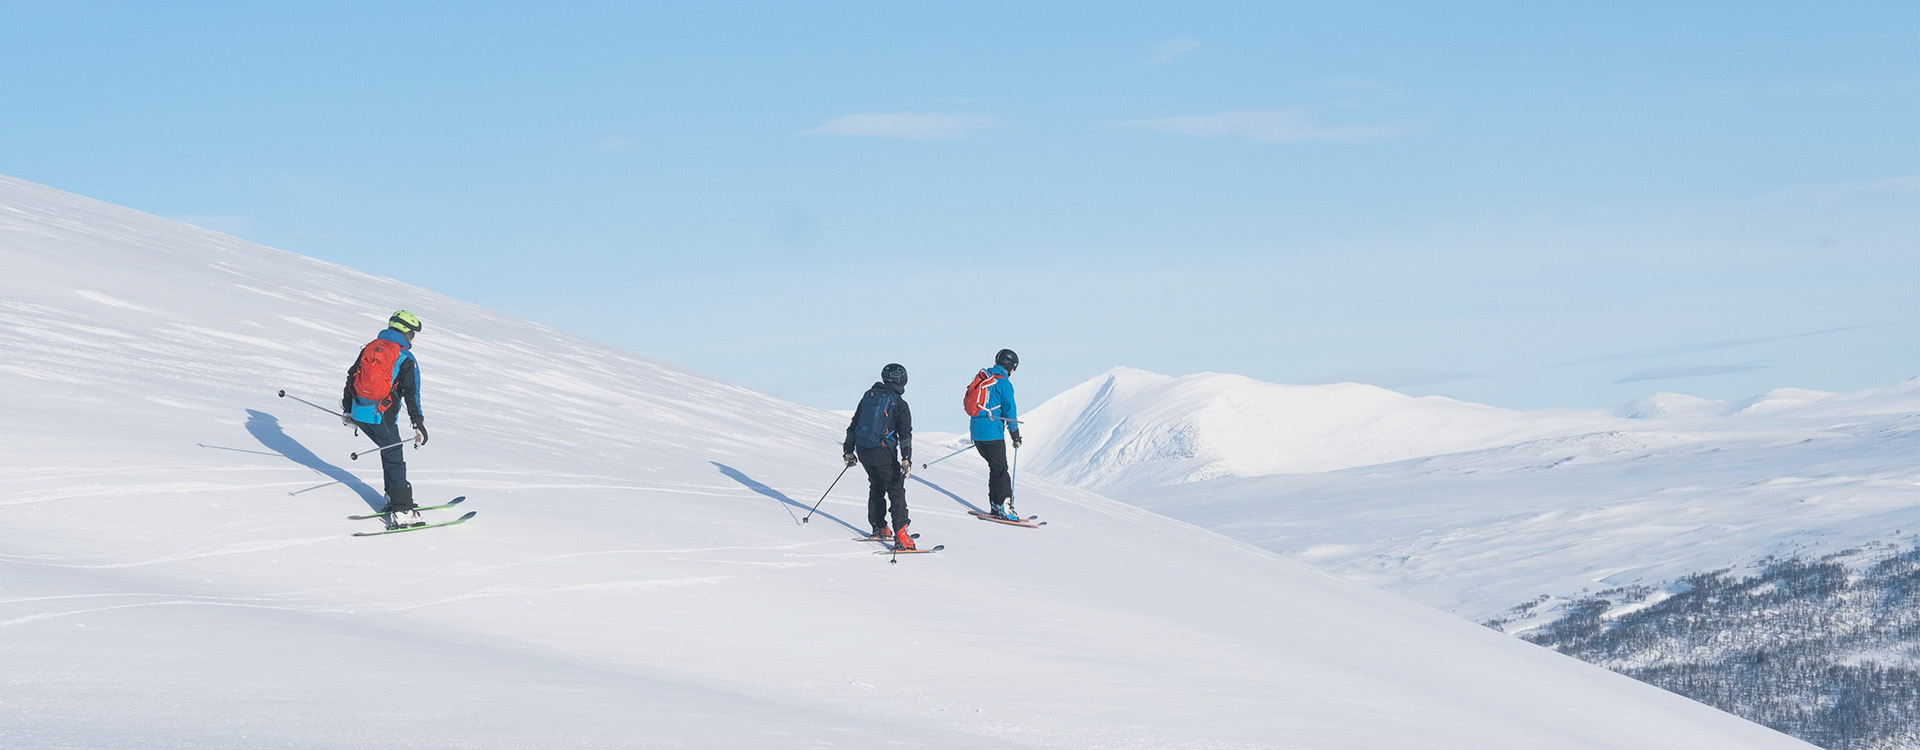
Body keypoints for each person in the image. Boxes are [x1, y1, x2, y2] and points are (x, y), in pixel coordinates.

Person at [342, 310, 429, 526]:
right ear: (406, 332)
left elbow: (352, 376)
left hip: (359, 413)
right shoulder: (405, 357)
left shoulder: (371, 347)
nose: (412, 339)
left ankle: (393, 497)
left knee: (388, 451)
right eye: (412, 334)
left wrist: (347, 410)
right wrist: (418, 424)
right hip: (381, 416)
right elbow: (412, 394)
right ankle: (401, 510)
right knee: (394, 457)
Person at [844, 363, 915, 549]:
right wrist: (906, 458)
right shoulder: (900, 404)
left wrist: (848, 451)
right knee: (896, 488)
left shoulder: (869, 396)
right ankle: (901, 534)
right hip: (883, 451)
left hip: (864, 449)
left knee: (876, 485)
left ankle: (879, 527)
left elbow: (854, 425)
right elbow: (905, 434)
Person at [969, 349, 1021, 520]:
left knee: (995, 468)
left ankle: (995, 505)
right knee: (1002, 470)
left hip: (977, 433)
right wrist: (1015, 434)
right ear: (1010, 366)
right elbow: (1009, 411)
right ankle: (1005, 508)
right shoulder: (1004, 384)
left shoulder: (984, 378)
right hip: (992, 434)